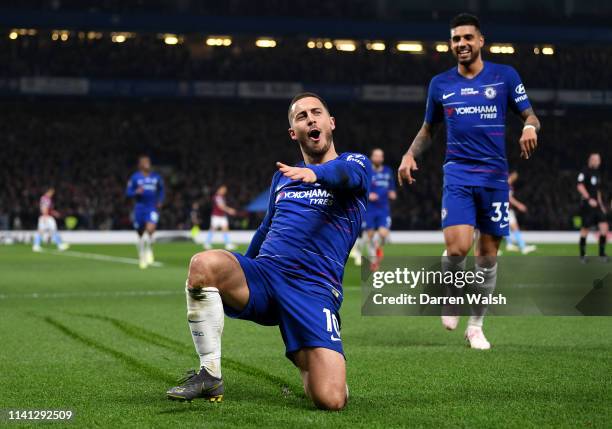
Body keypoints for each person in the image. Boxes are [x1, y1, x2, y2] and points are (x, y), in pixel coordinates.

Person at [166, 93, 371, 410]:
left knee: (331, 399)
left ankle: (306, 354)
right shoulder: (283, 178)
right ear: (294, 132)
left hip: (312, 290)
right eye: (301, 116)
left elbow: (348, 176)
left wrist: (316, 174)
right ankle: (210, 374)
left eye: (317, 113)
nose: (310, 119)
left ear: (331, 123)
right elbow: (265, 229)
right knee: (204, 264)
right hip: (265, 276)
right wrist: (244, 266)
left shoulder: (355, 165)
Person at [397, 13, 540, 349]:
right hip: (458, 173)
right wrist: (409, 154)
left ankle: (476, 326)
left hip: (494, 177)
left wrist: (530, 126)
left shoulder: (505, 77)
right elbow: (429, 129)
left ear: (480, 41)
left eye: (467, 38)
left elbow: (529, 113)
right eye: (455, 39)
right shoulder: (440, 84)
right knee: (458, 247)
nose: (461, 44)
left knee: (487, 256)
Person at [125, 155, 164, 269]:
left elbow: (161, 190)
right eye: (145, 162)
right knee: (140, 234)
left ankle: (149, 250)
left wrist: (160, 200)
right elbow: (128, 192)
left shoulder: (156, 177)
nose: (148, 163)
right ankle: (141, 256)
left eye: (148, 162)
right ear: (140, 165)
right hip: (139, 208)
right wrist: (136, 192)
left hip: (151, 207)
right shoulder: (135, 177)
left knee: (151, 229)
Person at [366, 148, 396, 270]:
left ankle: (378, 249)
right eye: (376, 156)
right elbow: (361, 188)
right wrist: (368, 194)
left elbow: (391, 187)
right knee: (370, 236)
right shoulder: (367, 172)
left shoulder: (388, 171)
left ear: (382, 158)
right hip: (370, 209)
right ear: (372, 157)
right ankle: (374, 261)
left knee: (383, 234)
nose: (378, 158)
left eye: (380, 156)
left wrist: (392, 193)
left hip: (383, 208)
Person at [577, 153, 608, 262]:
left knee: (604, 227)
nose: (598, 161)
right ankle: (582, 255)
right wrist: (589, 199)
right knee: (585, 229)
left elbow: (598, 191)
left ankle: (602, 254)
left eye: (599, 159)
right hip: (587, 205)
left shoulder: (598, 173)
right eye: (596, 159)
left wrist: (601, 205)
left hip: (597, 206)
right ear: (591, 160)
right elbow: (579, 186)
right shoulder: (584, 171)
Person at [505, 171, 536, 254]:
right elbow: (509, 198)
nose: (514, 178)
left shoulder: (508, 186)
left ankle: (509, 244)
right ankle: (523, 247)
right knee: (515, 227)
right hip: (507, 209)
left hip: (505, 209)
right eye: (514, 177)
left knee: (506, 227)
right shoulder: (507, 185)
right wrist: (519, 205)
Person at [32, 187, 69, 252]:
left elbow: (47, 208)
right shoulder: (46, 198)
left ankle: (36, 245)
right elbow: (44, 208)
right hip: (47, 217)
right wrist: (45, 216)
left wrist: (54, 213)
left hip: (44, 216)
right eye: (52, 192)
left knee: (41, 231)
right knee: (53, 230)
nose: (52, 193)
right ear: (48, 191)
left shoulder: (43, 198)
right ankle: (60, 245)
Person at [204, 185, 237, 250]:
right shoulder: (217, 197)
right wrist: (229, 210)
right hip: (216, 216)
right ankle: (207, 243)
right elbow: (221, 206)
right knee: (212, 229)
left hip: (222, 216)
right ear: (219, 189)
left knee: (225, 229)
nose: (224, 191)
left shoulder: (221, 197)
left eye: (225, 190)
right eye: (223, 190)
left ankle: (228, 244)